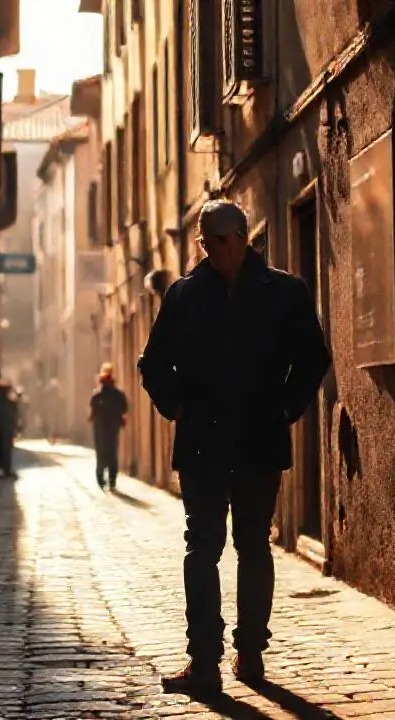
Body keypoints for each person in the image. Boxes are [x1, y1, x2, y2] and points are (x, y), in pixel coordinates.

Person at [138, 199, 332, 694]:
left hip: (258, 438)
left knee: (252, 545)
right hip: (202, 440)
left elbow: (313, 357)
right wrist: (175, 406)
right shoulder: (183, 295)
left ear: (243, 237)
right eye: (205, 242)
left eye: (220, 241)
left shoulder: (284, 291)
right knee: (202, 548)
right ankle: (204, 661)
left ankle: (251, 654)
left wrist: (287, 408)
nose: (212, 250)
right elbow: (153, 363)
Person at [88, 363, 129, 490]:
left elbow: (93, 411)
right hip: (111, 428)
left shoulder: (97, 394)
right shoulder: (117, 394)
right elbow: (124, 408)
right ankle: (111, 480)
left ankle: (102, 479)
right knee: (111, 454)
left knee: (102, 454)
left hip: (101, 429)